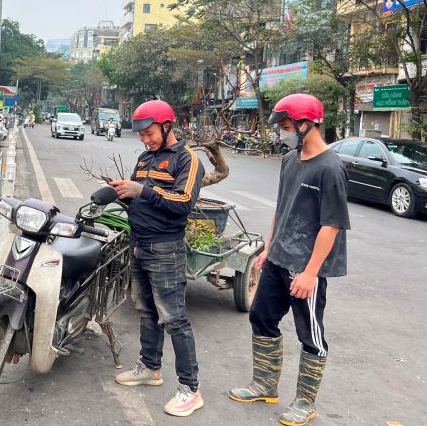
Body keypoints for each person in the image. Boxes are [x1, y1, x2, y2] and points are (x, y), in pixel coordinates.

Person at [228, 94, 350, 426]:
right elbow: (282, 207)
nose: (281, 133)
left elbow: (332, 225)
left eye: (285, 127)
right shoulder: (290, 160)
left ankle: (305, 402)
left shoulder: (330, 168)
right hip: (279, 258)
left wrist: (311, 273)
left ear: (306, 124)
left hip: (305, 269)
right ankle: (265, 384)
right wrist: (268, 248)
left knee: (310, 334)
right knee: (261, 317)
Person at [110, 99, 205, 417]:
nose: (145, 140)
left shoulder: (187, 159)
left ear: (167, 127)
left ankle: (190, 389)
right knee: (147, 312)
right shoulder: (144, 158)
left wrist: (142, 191)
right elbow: (139, 198)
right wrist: (121, 192)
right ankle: (150, 369)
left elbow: (182, 202)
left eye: (149, 133)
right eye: (141, 135)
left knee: (174, 319)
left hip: (165, 250)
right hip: (139, 245)